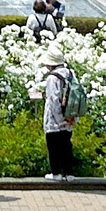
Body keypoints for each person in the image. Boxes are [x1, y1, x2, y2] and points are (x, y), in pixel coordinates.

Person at [40, 47, 78, 180]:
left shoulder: (52, 78)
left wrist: (59, 119)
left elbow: (53, 100)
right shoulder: (70, 73)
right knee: (67, 146)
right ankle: (69, 173)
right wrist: (71, 118)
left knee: (54, 146)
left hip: (54, 121)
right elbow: (75, 96)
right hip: (70, 116)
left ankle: (56, 173)